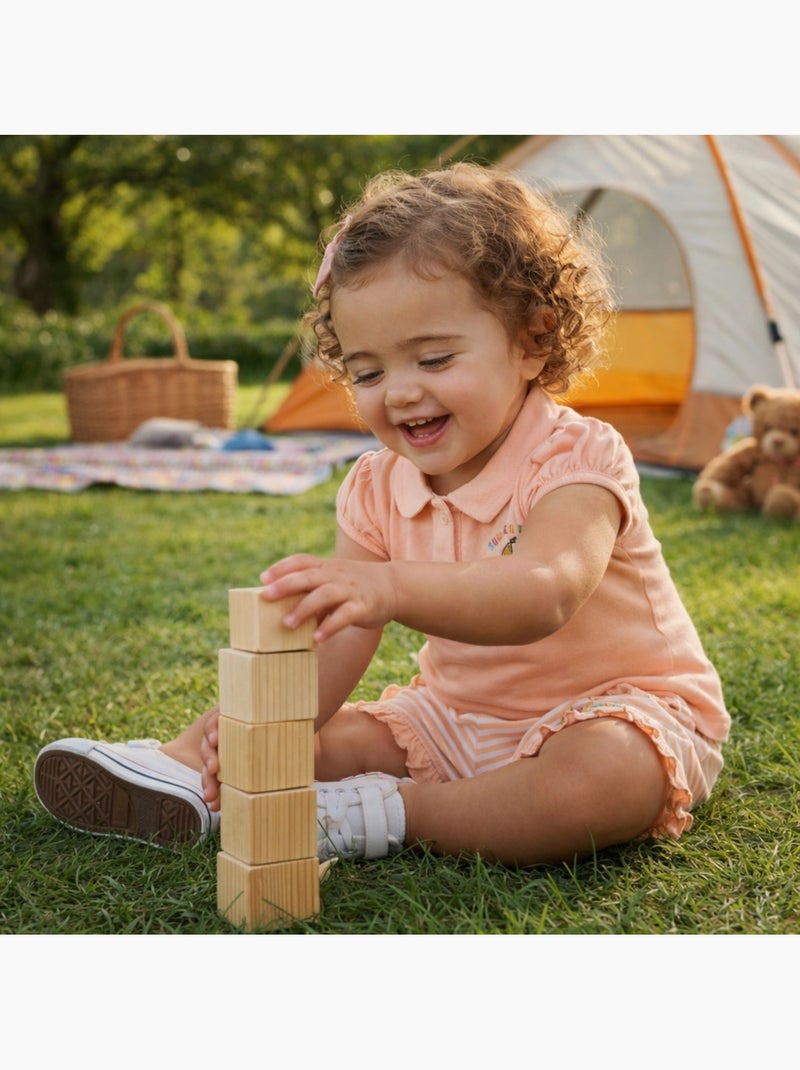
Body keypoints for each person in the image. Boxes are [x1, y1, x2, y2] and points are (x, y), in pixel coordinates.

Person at [34, 162, 730, 867]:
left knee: (598, 781)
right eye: (367, 373)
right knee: (301, 743)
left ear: (533, 340)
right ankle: (185, 772)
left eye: (432, 358)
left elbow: (544, 590)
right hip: (452, 721)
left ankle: (389, 813)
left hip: (619, 709)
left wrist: (390, 587)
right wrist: (273, 728)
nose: (398, 393)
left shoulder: (575, 457)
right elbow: (342, 641)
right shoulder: (374, 485)